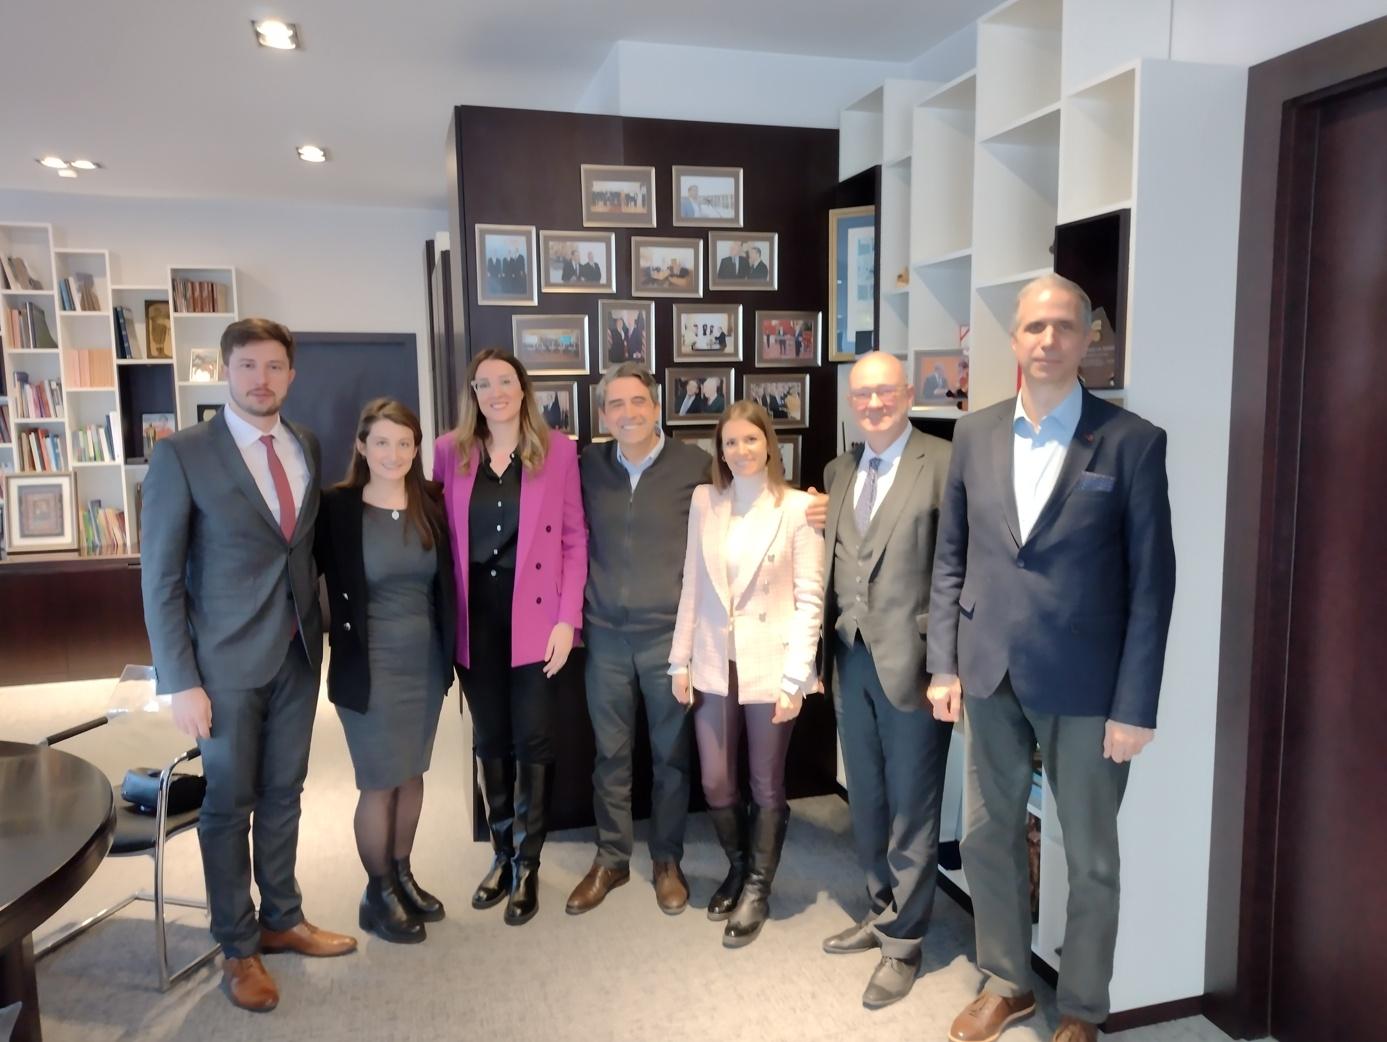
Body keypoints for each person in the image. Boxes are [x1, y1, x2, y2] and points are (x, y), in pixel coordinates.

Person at [927, 275, 1176, 1042]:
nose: (1047, 339)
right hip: (988, 670)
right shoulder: (973, 434)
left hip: (1088, 687)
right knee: (985, 835)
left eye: (1064, 326)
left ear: (1086, 337)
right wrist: (943, 665)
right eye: (1034, 326)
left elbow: (1152, 584)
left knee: (1092, 857)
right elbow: (950, 558)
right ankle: (1008, 981)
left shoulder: (1131, 442)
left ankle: (1082, 1007)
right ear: (1014, 338)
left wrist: (1135, 706)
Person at [141, 318, 356, 1013]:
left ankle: (282, 918)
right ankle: (237, 946)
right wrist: (180, 681)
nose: (261, 380)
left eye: (274, 367)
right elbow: (160, 579)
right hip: (223, 664)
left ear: (291, 375)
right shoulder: (182, 455)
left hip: (297, 649)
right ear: (225, 372)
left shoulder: (305, 443)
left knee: (285, 792)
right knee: (229, 805)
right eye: (247, 367)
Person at [802, 350, 953, 1010]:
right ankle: (880, 906)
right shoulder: (839, 470)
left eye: (885, 392)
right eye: (862, 394)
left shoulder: (943, 463)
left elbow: (954, 572)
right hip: (850, 656)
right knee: (865, 796)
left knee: (912, 805)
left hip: (914, 664)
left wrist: (947, 664)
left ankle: (905, 941)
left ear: (908, 393)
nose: (873, 404)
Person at [434, 348, 587, 926]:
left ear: (523, 389)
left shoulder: (558, 451)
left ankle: (528, 864)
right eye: (483, 384)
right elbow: (436, 535)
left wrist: (568, 621)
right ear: (472, 394)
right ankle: (501, 854)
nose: (495, 393)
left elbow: (574, 539)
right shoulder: (450, 452)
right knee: (490, 738)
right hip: (475, 617)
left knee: (534, 740)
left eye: (505, 382)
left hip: (538, 619)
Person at [669, 400, 824, 946]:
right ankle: (738, 867)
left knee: (765, 781)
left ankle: (758, 886)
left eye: (750, 440)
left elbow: (810, 600)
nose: (740, 450)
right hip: (714, 659)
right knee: (715, 778)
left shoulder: (798, 508)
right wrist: (680, 659)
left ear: (769, 444)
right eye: (730, 442)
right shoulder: (705, 502)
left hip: (772, 664)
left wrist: (796, 678)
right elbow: (692, 583)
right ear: (720, 449)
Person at [567, 363, 712, 916]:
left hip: (668, 639)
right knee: (611, 754)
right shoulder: (588, 466)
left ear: (656, 407)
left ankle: (667, 859)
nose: (627, 414)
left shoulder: (694, 465)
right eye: (615, 405)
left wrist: (809, 506)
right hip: (605, 635)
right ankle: (612, 857)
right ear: (603, 414)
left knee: (671, 756)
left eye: (637, 402)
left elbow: (749, 499)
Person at [315, 398, 456, 944]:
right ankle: (377, 893)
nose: (393, 454)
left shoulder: (431, 501)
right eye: (381, 442)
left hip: (424, 663)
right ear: (361, 446)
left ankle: (402, 875)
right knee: (379, 781)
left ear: (416, 448)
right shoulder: (337, 508)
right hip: (368, 668)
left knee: (412, 774)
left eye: (404, 443)